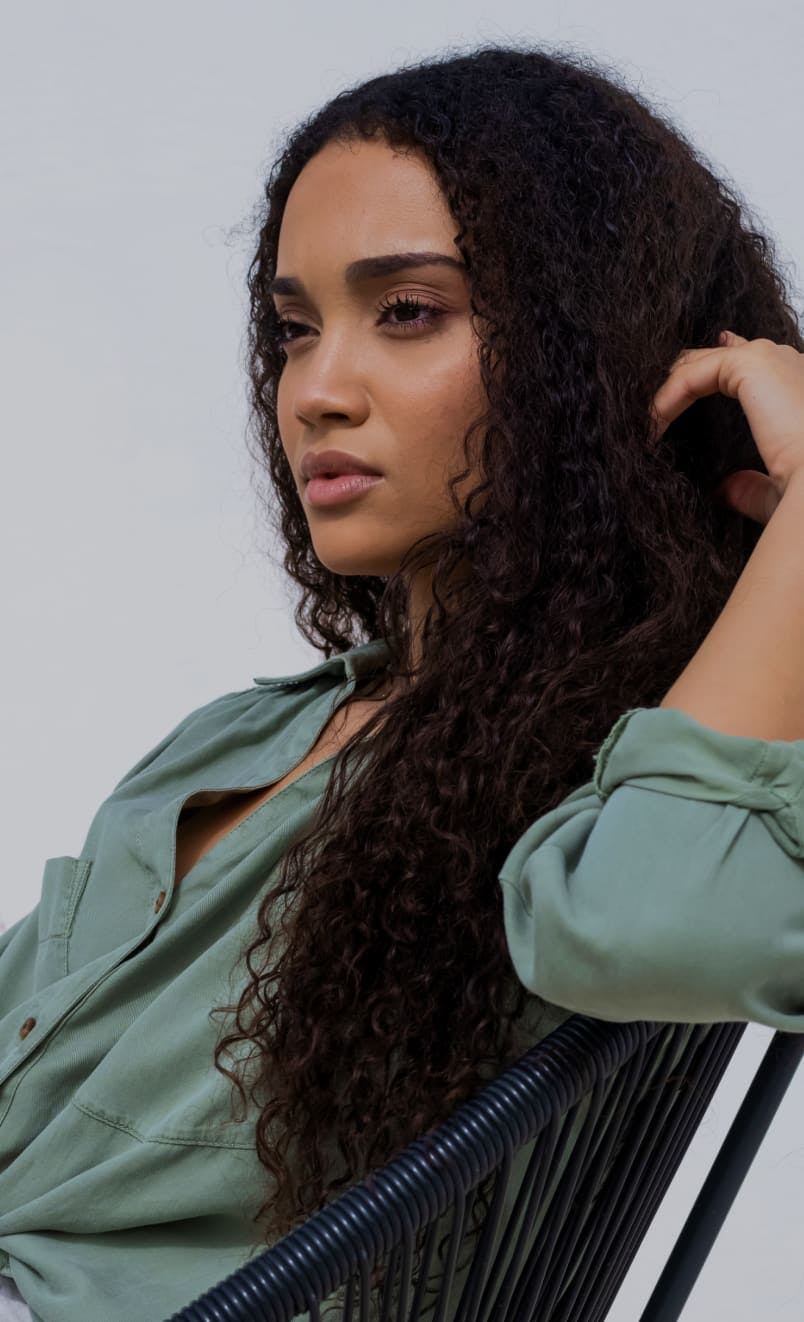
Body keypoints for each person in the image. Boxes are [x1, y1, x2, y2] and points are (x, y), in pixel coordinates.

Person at [2, 41, 804, 1322]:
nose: (315, 390)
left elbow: (649, 922)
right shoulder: (243, 736)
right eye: (294, 328)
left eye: (410, 311)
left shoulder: (614, 786)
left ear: (585, 352)